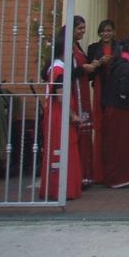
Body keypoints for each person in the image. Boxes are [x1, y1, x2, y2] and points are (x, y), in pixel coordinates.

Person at [38, 26, 84, 200]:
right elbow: (60, 97)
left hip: (55, 115)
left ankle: (55, 187)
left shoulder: (54, 68)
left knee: (56, 150)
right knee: (62, 149)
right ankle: (62, 189)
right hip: (59, 116)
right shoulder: (59, 71)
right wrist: (73, 115)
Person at [102, 35, 129, 188]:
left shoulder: (121, 63)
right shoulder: (126, 66)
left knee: (123, 143)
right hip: (121, 109)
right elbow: (123, 89)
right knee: (122, 143)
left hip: (117, 107)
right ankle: (121, 177)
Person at [86, 19, 116, 184]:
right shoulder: (93, 48)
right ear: (99, 33)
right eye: (103, 31)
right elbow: (88, 73)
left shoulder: (118, 47)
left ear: (113, 32)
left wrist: (111, 60)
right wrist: (96, 64)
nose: (106, 33)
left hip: (114, 89)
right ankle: (98, 170)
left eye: (109, 30)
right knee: (99, 126)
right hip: (99, 88)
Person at [70, 16, 97, 187]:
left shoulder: (78, 47)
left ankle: (85, 176)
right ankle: (75, 176)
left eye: (84, 28)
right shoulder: (65, 48)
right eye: (79, 28)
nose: (82, 31)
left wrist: (92, 67)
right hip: (74, 92)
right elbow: (61, 72)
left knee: (85, 131)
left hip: (84, 91)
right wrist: (83, 68)